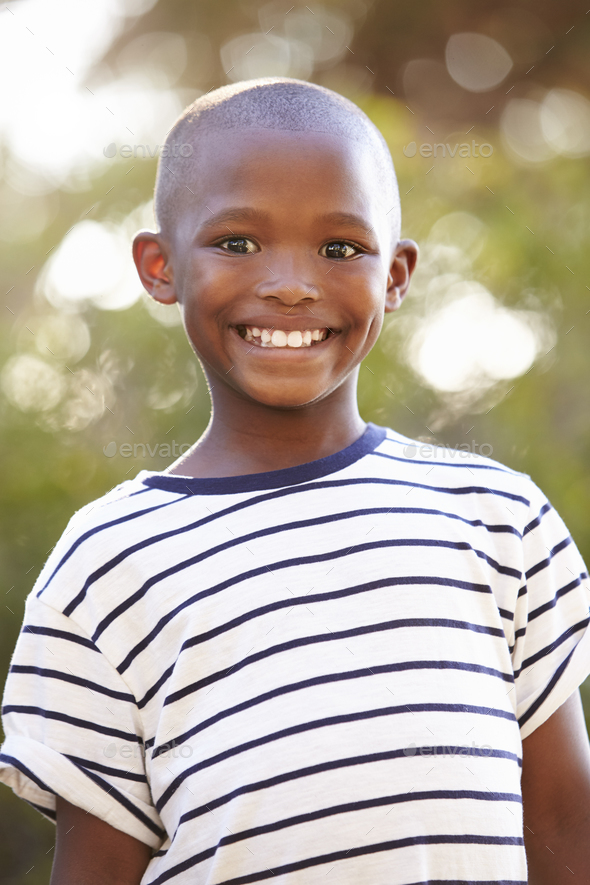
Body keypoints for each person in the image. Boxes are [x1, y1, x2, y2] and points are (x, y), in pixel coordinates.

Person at [1, 77, 590, 885]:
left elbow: (563, 826)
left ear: (396, 274)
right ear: (160, 266)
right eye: (238, 242)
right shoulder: (106, 566)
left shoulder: (498, 517)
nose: (290, 282)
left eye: (340, 248)